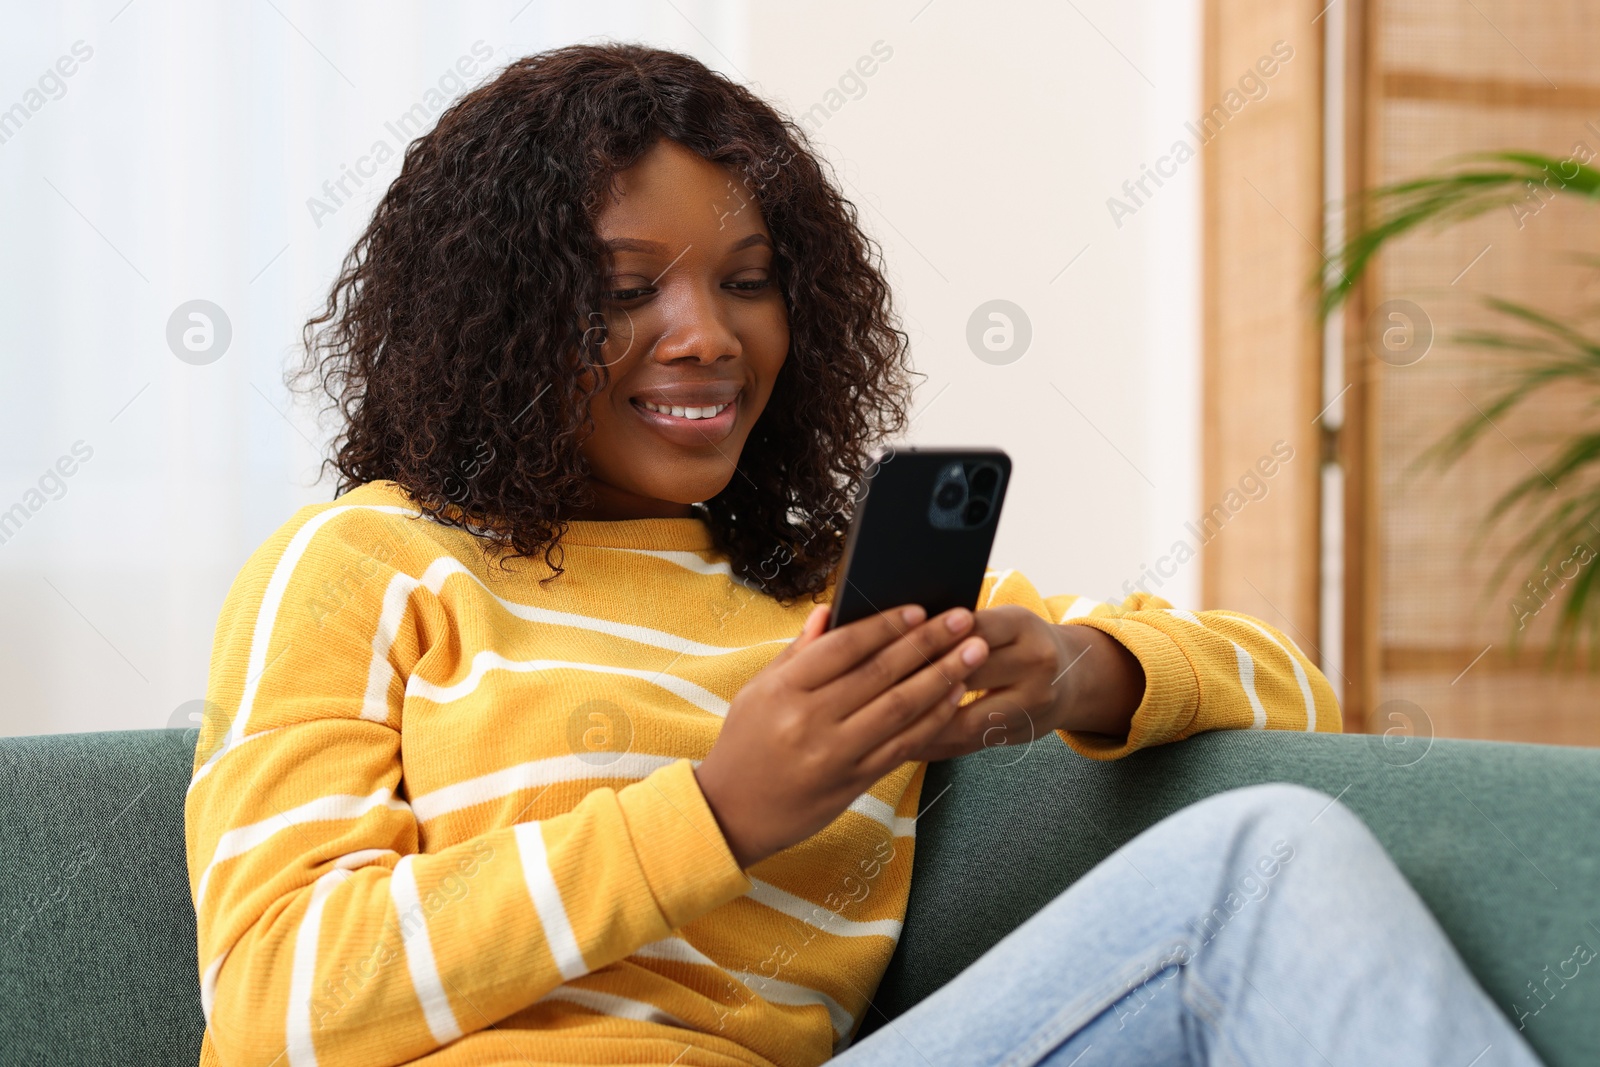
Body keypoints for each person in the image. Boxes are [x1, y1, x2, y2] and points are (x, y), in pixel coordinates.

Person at [183, 43, 1540, 1067]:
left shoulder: (833, 602)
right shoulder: (368, 559)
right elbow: (275, 1006)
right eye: (625, 288)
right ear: (494, 319)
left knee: (1271, 855)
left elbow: (1294, 692)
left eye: (748, 278)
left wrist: (1077, 673)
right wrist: (717, 810)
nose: (706, 333)